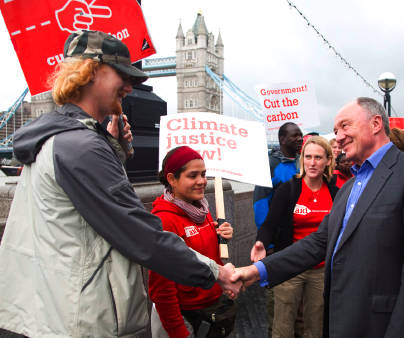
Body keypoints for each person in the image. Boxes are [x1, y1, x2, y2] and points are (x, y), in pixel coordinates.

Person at [0, 30, 240, 337]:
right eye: (122, 75)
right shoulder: (82, 147)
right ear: (90, 72)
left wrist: (112, 150)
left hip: (57, 306)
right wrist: (216, 272)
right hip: (84, 319)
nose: (130, 86)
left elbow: (82, 220)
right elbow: (138, 232)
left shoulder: (53, 139)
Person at [233, 97, 404, 338]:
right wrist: (256, 271)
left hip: (382, 326)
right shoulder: (348, 188)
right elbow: (319, 242)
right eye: (336, 131)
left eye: (345, 126)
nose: (339, 136)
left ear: (376, 123)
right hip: (341, 322)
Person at [251, 136, 339, 338]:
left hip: (321, 270)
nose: (312, 162)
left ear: (327, 160)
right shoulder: (289, 189)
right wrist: (260, 242)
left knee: (315, 328)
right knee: (282, 328)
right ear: (302, 160)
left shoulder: (336, 193)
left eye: (318, 157)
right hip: (290, 266)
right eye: (308, 157)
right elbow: (270, 224)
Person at [149, 146, 235, 338]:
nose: (202, 181)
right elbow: (161, 289)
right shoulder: (163, 220)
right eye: (193, 175)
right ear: (172, 179)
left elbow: (209, 260)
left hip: (211, 312)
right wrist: (178, 332)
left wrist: (220, 236)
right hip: (185, 319)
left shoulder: (200, 210)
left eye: (204, 174)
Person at [252, 121, 303, 336]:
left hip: (299, 243)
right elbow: (260, 205)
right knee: (280, 307)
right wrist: (268, 243)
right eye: (295, 136)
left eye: (301, 135)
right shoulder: (270, 165)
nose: (300, 139)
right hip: (278, 246)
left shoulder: (302, 163)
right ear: (282, 140)